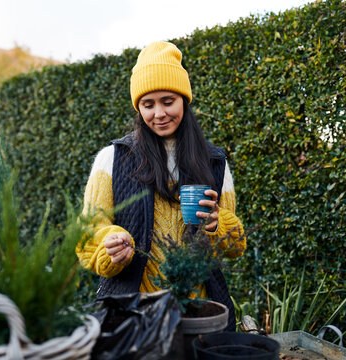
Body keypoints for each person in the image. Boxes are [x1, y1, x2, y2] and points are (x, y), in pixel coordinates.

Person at [76, 41, 245, 331]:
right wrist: (111, 242)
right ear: (138, 107)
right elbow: (89, 231)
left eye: (168, 101)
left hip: (198, 314)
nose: (159, 113)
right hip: (132, 315)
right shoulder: (113, 159)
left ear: (184, 100)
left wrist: (217, 227)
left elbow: (234, 246)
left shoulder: (215, 162)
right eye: (148, 104)